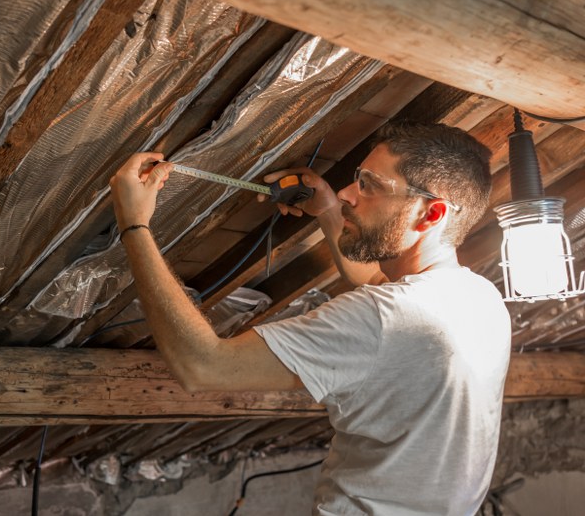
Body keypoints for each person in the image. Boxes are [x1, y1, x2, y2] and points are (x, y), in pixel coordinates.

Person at [109, 122, 511, 515]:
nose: (347, 193)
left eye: (370, 185)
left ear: (430, 214)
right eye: (357, 179)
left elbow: (203, 365)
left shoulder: (382, 317)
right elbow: (376, 281)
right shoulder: (479, 299)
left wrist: (134, 223)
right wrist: (328, 211)